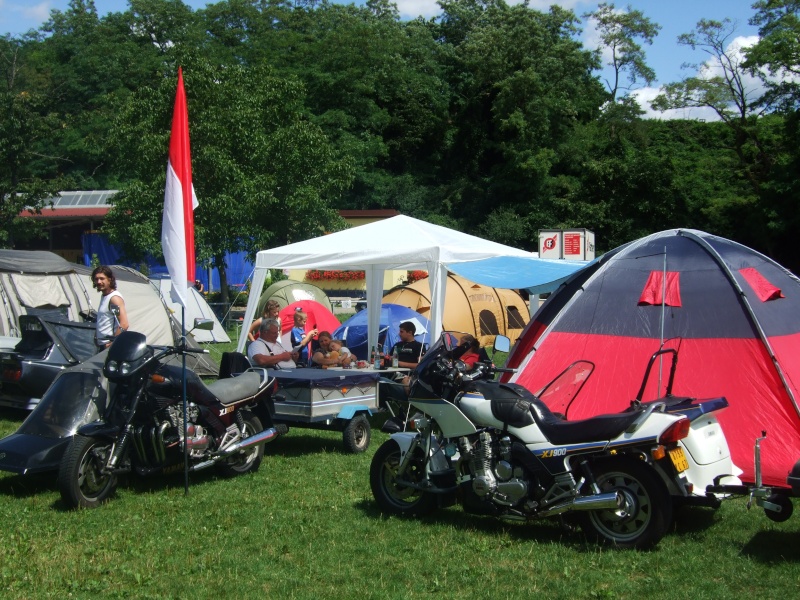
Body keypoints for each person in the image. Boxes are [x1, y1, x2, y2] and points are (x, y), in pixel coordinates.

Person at [92, 265, 129, 349]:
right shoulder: (105, 296)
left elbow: (124, 324)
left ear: (110, 279)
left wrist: (112, 343)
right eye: (96, 279)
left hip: (109, 346)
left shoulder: (114, 299)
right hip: (102, 344)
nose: (98, 282)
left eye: (102, 278)